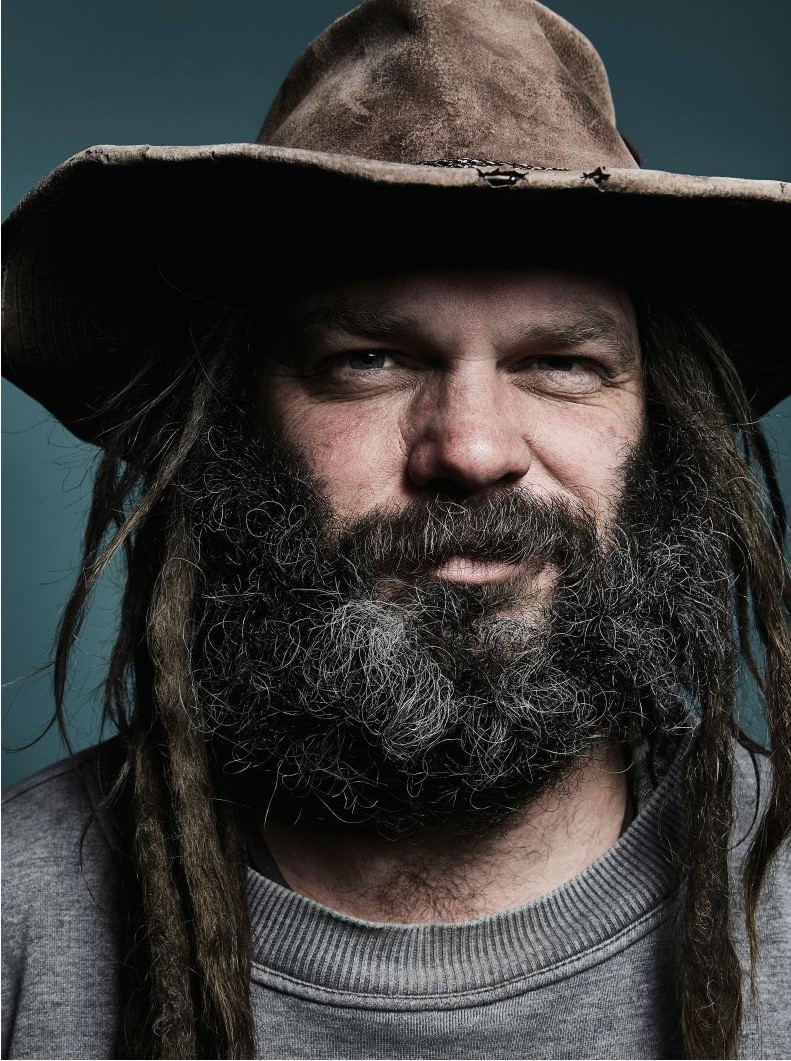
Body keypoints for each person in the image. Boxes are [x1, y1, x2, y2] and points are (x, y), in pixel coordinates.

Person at [2, 0, 790, 1058]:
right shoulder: (18, 917)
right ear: (231, 428)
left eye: (559, 362)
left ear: (661, 428)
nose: (468, 449)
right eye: (367, 359)